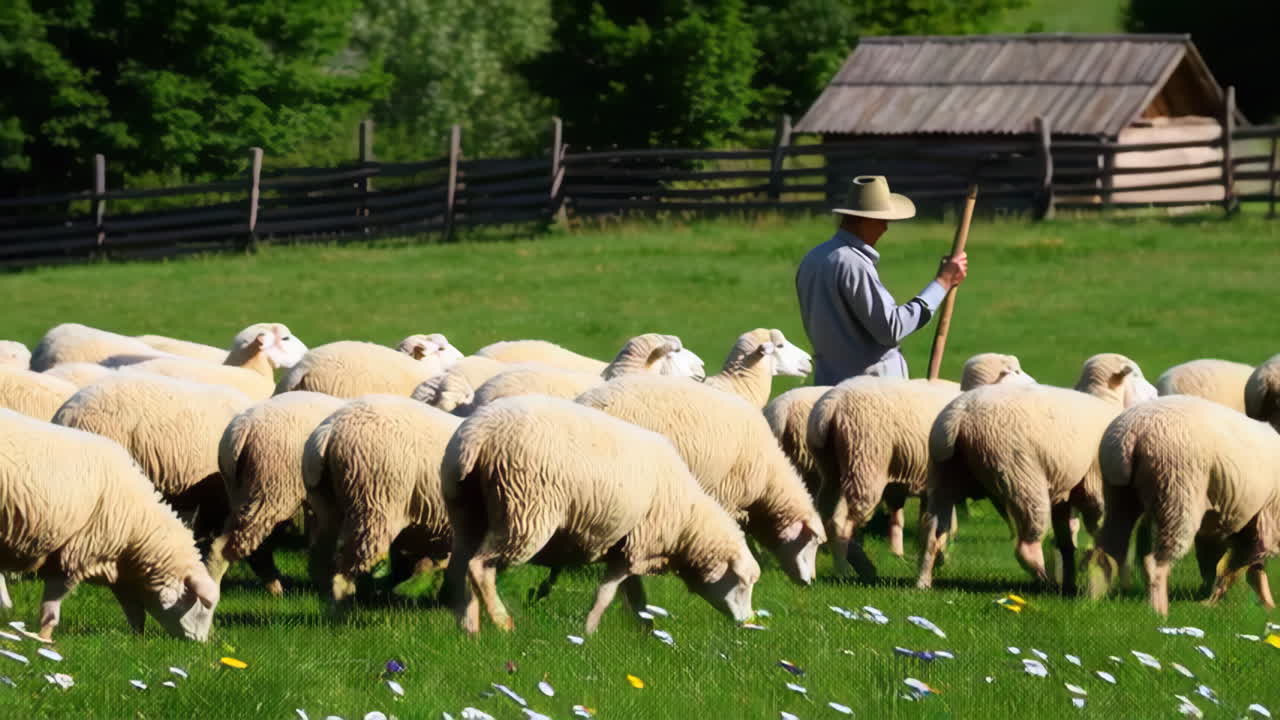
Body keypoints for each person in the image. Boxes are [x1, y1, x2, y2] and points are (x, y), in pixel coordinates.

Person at [795, 175, 968, 384]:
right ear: (865, 220)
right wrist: (942, 283)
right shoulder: (852, 262)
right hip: (869, 390)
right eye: (882, 221)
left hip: (829, 382)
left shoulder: (815, 257)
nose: (885, 228)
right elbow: (891, 328)